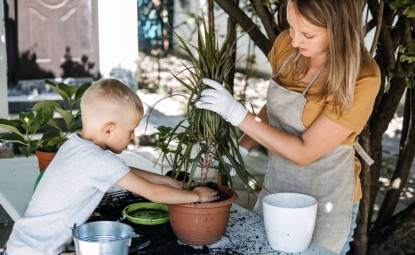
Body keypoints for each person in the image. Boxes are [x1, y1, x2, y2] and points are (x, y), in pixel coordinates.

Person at [195, 1, 381, 254]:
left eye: (308, 34)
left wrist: (236, 114)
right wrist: (241, 150)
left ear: (338, 29)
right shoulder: (286, 46)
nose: (294, 41)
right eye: (292, 28)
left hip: (326, 197)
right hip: (279, 185)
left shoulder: (361, 77)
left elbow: (304, 152)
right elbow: (275, 109)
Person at [5, 78, 219, 255]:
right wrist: (197, 197)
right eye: (130, 130)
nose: (133, 136)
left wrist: (172, 182)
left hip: (20, 245)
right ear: (109, 130)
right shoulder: (99, 161)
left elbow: (127, 172)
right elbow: (154, 194)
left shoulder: (76, 145)